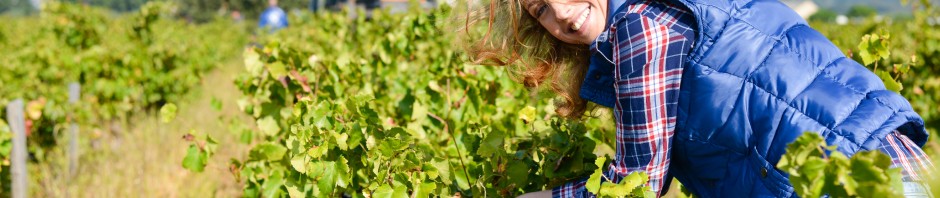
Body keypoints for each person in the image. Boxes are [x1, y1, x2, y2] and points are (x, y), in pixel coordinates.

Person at [465, 0, 934, 197]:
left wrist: (541, 197)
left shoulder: (640, 28)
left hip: (851, 178)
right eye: (539, 10)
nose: (561, 14)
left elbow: (638, 186)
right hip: (885, 156)